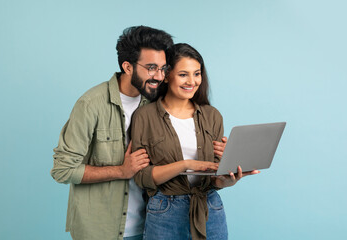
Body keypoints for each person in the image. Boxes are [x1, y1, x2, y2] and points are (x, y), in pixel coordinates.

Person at [50, 26, 173, 240]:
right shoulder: (90, 104)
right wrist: (121, 171)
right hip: (99, 231)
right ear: (127, 66)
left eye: (163, 68)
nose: (160, 76)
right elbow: (62, 170)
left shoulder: (155, 103)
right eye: (151, 68)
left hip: (150, 227)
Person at [131, 43, 260, 240]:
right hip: (164, 211)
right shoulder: (144, 116)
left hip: (210, 209)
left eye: (197, 73)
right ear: (166, 75)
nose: (192, 81)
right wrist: (186, 165)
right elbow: (142, 176)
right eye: (183, 74)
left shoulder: (212, 116)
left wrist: (227, 180)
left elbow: (215, 177)